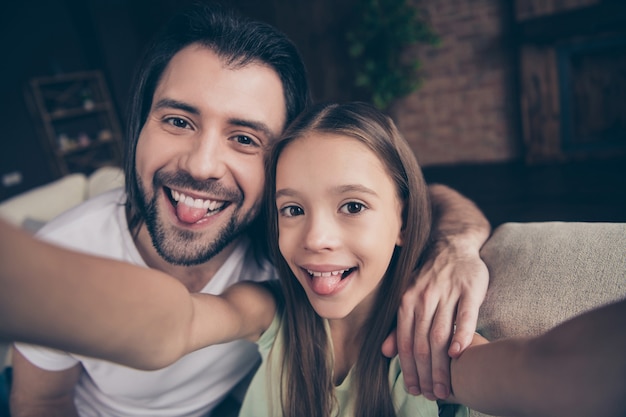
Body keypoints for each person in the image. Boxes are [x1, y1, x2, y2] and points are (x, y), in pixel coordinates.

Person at [9, 4, 490, 417]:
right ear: (139, 125)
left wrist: (457, 247)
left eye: (244, 138)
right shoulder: (66, 246)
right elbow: (41, 403)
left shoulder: (291, 241)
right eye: (178, 121)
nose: (201, 165)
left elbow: (428, 199)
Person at [1, 102, 625, 417]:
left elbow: (551, 368)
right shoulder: (275, 312)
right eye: (292, 209)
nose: (315, 239)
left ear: (405, 218)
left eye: (352, 206)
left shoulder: (432, 350)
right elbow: (176, 322)